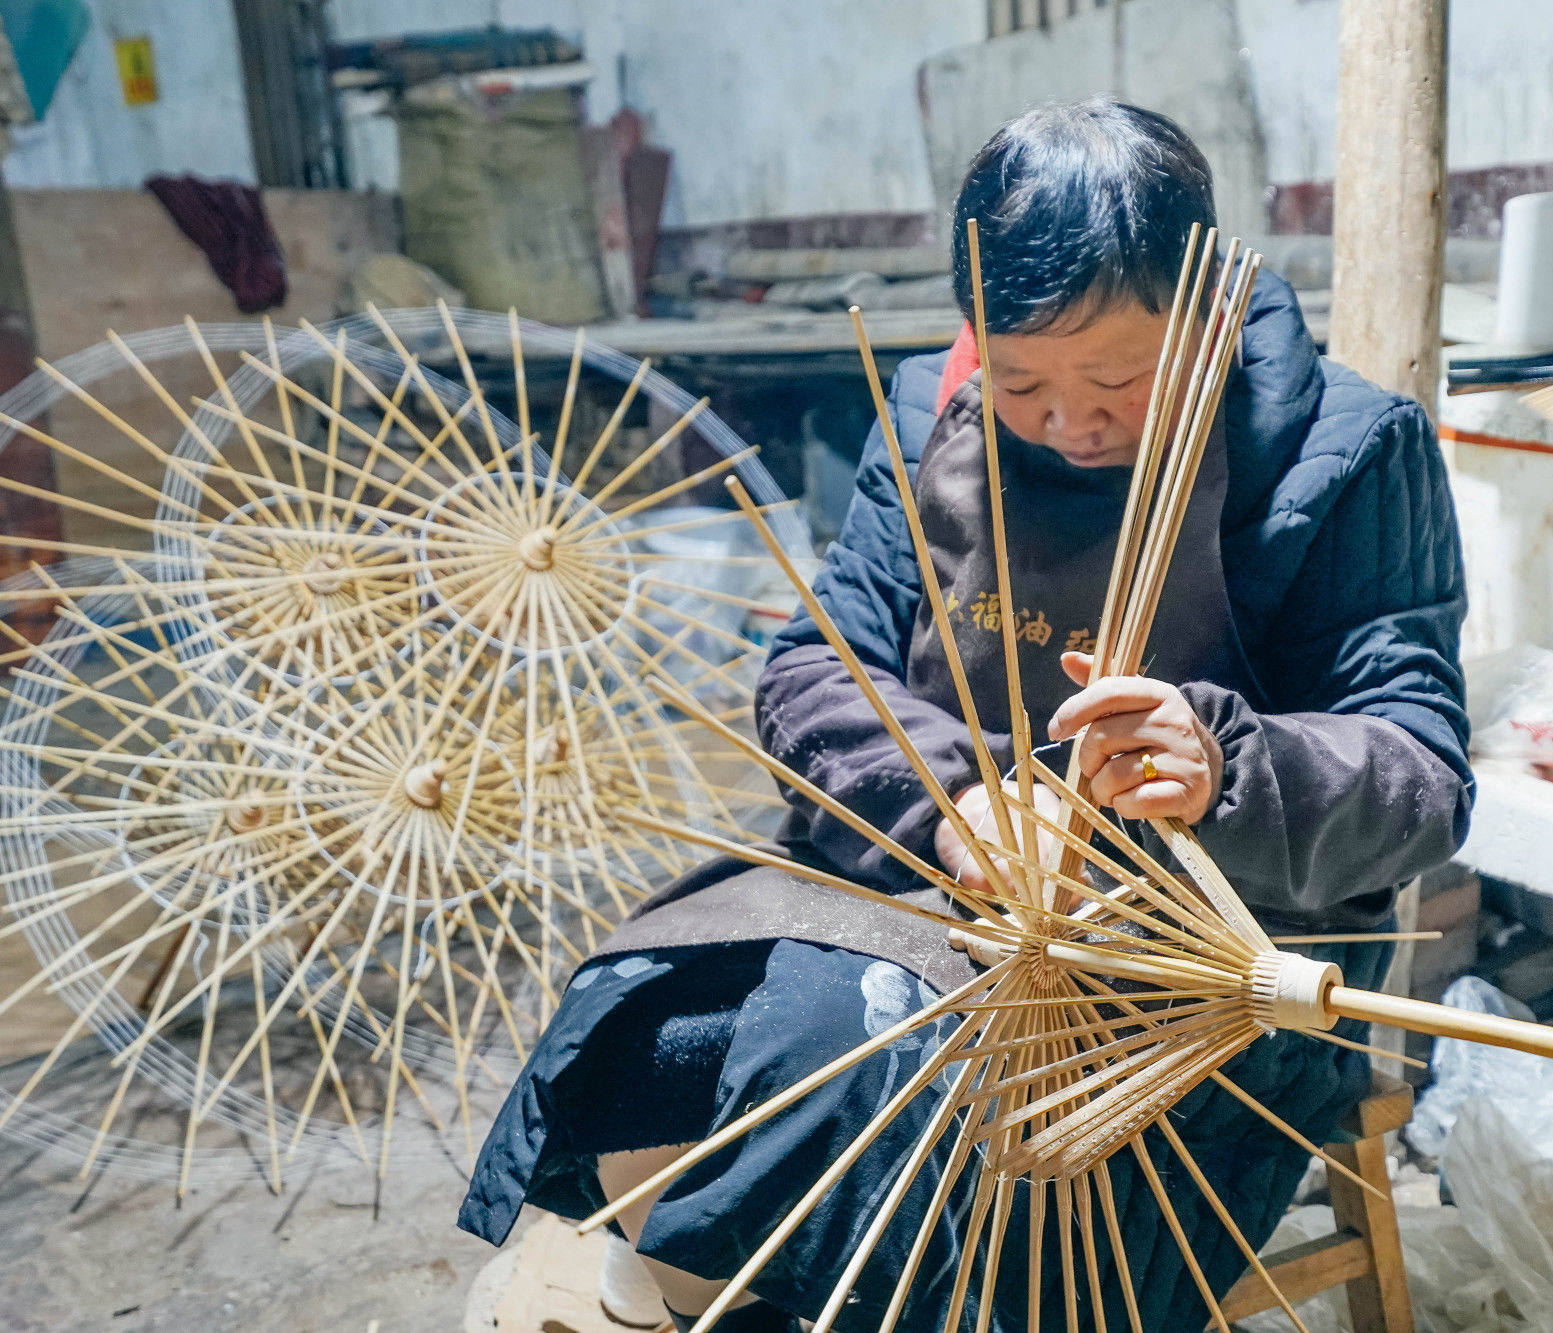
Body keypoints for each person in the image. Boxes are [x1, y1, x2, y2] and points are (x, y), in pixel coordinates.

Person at [460, 97, 1472, 1333]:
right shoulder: (931, 413)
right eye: (1020, 378)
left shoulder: (1345, 450)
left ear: (1207, 313)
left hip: (1200, 947)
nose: (1065, 420)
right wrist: (956, 806)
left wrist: (1229, 765)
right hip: (924, 878)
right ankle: (685, 1283)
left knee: (955, 1132)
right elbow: (812, 670)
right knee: (680, 1029)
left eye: (1116, 376)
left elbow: (1421, 766)